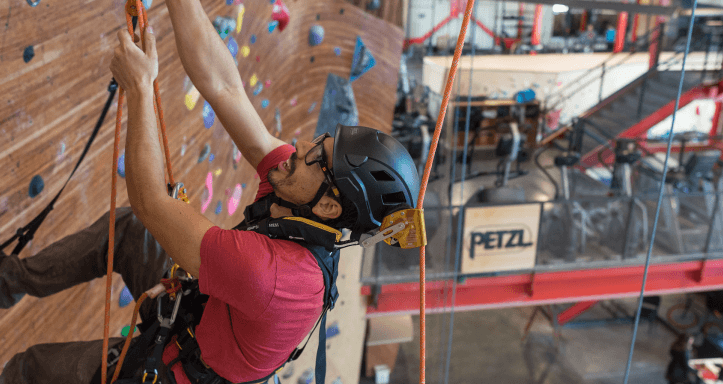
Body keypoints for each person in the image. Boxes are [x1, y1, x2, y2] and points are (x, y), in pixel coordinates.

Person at [0, 0, 420, 383]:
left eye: (316, 157)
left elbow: (151, 202)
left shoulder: (273, 274)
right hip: (199, 315)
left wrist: (140, 90)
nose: (300, 146)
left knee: (30, 369)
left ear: (329, 205)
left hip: (182, 368)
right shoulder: (300, 198)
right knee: (133, 231)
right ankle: (8, 281)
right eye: (319, 139)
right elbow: (226, 89)